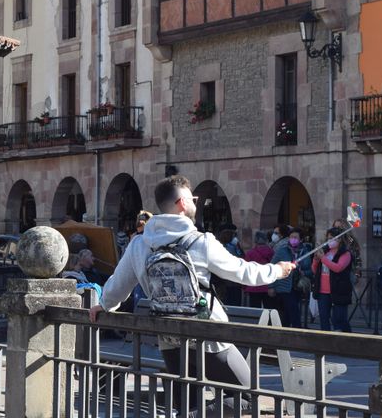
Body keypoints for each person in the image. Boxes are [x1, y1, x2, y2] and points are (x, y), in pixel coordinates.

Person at [89, 175, 296, 414]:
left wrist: (104, 305)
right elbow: (244, 272)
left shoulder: (139, 244)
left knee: (187, 400)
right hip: (208, 334)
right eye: (193, 198)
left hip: (169, 337)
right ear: (182, 202)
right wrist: (277, 271)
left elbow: (119, 285)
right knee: (251, 398)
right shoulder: (201, 242)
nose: (196, 203)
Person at [311, 227, 353, 332]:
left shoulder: (345, 254)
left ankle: (345, 341)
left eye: (332, 238)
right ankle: (325, 343)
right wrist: (316, 260)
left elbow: (338, 268)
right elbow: (315, 270)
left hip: (338, 291)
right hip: (322, 291)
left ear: (339, 239)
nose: (330, 240)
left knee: (339, 320)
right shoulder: (325, 252)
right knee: (324, 319)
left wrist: (323, 259)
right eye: (328, 238)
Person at [268, 227, 312, 328]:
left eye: (296, 237)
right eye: (291, 237)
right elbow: (272, 266)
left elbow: (310, 270)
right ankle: (298, 330)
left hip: (297, 286)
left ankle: (286, 332)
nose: (293, 239)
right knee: (293, 309)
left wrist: (302, 272)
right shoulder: (282, 250)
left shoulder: (305, 252)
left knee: (288, 313)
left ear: (301, 239)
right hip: (283, 286)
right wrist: (271, 286)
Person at [244, 231, 276, 308]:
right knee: (268, 310)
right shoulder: (272, 252)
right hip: (268, 285)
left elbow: (246, 270)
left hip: (254, 285)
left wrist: (244, 286)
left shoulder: (250, 253)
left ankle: (256, 320)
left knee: (255, 310)